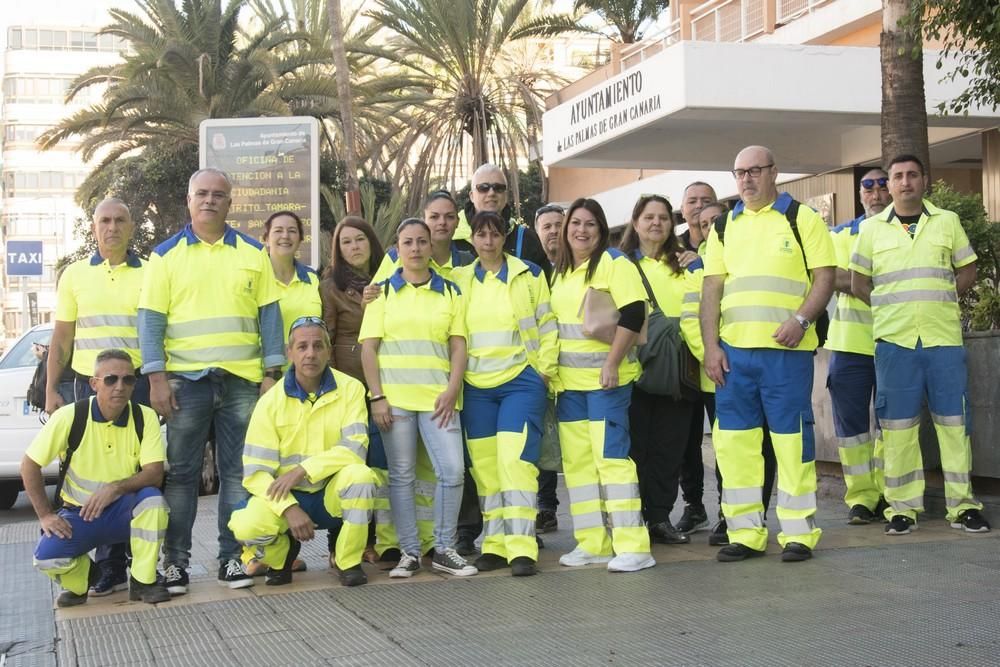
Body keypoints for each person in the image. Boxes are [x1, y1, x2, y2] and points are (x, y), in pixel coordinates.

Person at [138, 168, 285, 594]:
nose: (209, 201)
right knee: (182, 474)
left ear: (230, 203)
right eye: (201, 193)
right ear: (188, 200)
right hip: (186, 382)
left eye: (218, 194)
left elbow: (269, 316)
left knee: (237, 473)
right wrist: (157, 379)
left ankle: (231, 559)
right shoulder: (165, 256)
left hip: (242, 381)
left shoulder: (254, 252)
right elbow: (151, 322)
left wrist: (271, 374)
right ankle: (175, 565)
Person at [702, 145, 835, 563]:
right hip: (734, 357)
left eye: (754, 170)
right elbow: (711, 290)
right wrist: (710, 347)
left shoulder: (802, 218)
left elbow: (825, 278)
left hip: (785, 352)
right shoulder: (723, 226)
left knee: (792, 442)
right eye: (739, 172)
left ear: (774, 172)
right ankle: (745, 532)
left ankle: (798, 532)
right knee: (735, 446)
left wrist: (801, 320)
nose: (746, 179)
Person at [850, 154, 990, 535]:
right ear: (889, 184)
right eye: (897, 177)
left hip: (942, 338)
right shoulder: (872, 229)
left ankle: (962, 506)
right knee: (897, 430)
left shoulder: (947, 222)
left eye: (912, 175)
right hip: (894, 343)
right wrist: (888, 307)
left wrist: (943, 298)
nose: (905, 182)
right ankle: (902, 509)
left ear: (924, 180)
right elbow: (859, 281)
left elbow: (968, 270)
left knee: (954, 423)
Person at [359, 218, 477, 578]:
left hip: (439, 399)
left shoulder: (451, 291)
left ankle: (444, 548)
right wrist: (377, 397)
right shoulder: (382, 292)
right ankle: (409, 552)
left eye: (421, 242)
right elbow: (369, 350)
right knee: (402, 476)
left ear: (431, 246)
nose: (415, 248)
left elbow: (458, 346)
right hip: (395, 402)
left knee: (453, 471)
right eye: (407, 242)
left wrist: (453, 388)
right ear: (398, 248)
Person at [43, 198, 148, 597]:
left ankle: (130, 563)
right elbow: (62, 337)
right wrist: (52, 388)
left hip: (133, 386)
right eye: (105, 220)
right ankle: (103, 566)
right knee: (89, 474)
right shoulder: (73, 275)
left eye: (120, 219)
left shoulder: (152, 272)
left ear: (131, 226)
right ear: (94, 226)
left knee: (131, 473)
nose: (112, 227)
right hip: (87, 386)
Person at [229, 317, 378, 587]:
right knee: (245, 525)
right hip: (287, 498)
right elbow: (256, 472)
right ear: (290, 353)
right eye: (302, 347)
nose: (310, 353)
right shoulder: (269, 402)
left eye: (318, 346)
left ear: (329, 351)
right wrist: (288, 508)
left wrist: (303, 470)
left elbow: (355, 450)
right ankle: (280, 558)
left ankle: (348, 561)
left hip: (330, 493)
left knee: (362, 478)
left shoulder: (352, 389)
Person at [550, 197, 655, 573]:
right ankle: (593, 543)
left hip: (605, 383)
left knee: (611, 461)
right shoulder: (561, 270)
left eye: (590, 224)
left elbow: (634, 314)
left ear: (601, 229)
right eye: (575, 223)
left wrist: (612, 362)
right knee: (578, 467)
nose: (581, 230)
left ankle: (633, 546)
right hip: (570, 386)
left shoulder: (614, 264)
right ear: (565, 229)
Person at [452, 211, 557, 576]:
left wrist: (543, 372)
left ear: (505, 237)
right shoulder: (459, 279)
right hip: (476, 389)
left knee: (516, 464)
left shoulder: (528, 274)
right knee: (486, 471)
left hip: (520, 383)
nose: (488, 241)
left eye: (495, 234)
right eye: (481, 235)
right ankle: (495, 545)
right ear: (473, 240)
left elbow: (547, 323)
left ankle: (522, 548)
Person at [21, 349, 169, 607]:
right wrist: (46, 515)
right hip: (79, 515)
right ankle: (84, 580)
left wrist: (115, 488)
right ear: (94, 383)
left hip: (122, 510)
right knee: (45, 558)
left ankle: (143, 582)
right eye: (111, 379)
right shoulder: (69, 416)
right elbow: (29, 465)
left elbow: (154, 473)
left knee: (153, 502)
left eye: (128, 380)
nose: (120, 387)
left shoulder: (144, 417)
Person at [681, 202, 780, 547]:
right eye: (703, 223)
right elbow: (691, 320)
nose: (709, 227)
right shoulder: (698, 270)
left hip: (751, 371)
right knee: (725, 451)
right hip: (716, 375)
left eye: (715, 221)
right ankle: (730, 515)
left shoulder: (747, 257)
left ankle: (752, 515)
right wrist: (712, 356)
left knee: (759, 448)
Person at [619, 194, 699, 546]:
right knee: (636, 448)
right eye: (649, 217)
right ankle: (634, 518)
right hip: (633, 371)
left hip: (678, 370)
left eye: (663, 218)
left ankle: (660, 518)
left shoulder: (686, 265)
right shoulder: (620, 265)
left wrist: (699, 264)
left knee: (670, 448)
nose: (656, 223)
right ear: (635, 223)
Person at [826, 169, 891, 524]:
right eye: (869, 185)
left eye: (883, 185)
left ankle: (887, 493)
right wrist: (872, 282)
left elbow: (846, 278)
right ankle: (862, 499)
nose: (877, 191)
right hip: (850, 345)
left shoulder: (904, 231)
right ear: (860, 192)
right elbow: (830, 276)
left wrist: (855, 280)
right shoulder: (842, 233)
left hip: (894, 342)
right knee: (851, 429)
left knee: (892, 425)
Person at [674, 182, 719, 536]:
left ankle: (730, 508)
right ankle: (694, 506)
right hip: (683, 362)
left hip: (721, 363)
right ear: (682, 207)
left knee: (726, 439)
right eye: (693, 201)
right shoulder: (670, 249)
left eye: (707, 202)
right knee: (687, 441)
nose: (699, 208)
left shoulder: (729, 247)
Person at [532, 202, 565, 534]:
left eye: (559, 224)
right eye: (548, 226)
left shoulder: (576, 266)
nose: (554, 230)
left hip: (575, 368)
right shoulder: (530, 273)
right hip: (541, 369)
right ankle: (545, 506)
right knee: (542, 441)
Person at [263, 210, 322, 353]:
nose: (285, 236)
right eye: (278, 231)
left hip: (307, 370)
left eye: (292, 231)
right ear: (266, 239)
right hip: (265, 372)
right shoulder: (255, 278)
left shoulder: (313, 279)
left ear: (300, 239)